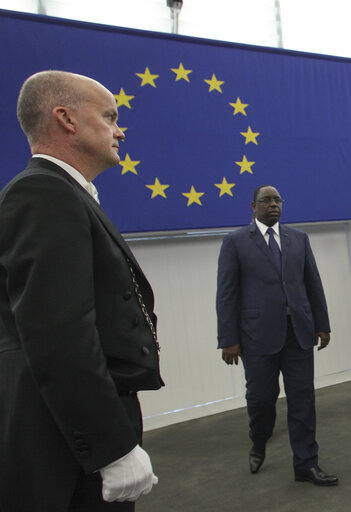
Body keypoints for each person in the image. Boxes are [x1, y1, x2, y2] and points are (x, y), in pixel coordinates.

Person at [0, 71, 162, 511]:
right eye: (109, 116)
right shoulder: (43, 193)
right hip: (62, 435)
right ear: (66, 119)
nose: (119, 129)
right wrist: (112, 447)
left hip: (77, 419)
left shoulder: (67, 194)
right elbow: (61, 337)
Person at [216, 185, 337, 486]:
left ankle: (306, 464)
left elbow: (313, 284)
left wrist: (322, 324)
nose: (273, 205)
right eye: (266, 200)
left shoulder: (299, 239)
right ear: (253, 206)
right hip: (256, 338)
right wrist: (228, 339)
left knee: (302, 400)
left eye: (277, 200)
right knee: (261, 399)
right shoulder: (235, 242)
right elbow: (227, 294)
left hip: (298, 334)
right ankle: (259, 441)